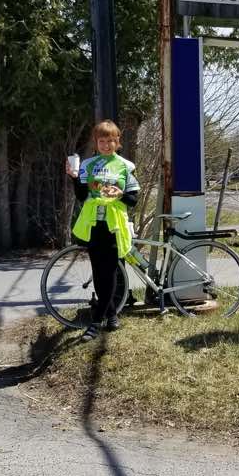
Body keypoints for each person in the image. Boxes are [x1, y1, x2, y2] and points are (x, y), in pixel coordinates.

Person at [66, 120, 140, 340]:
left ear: (117, 142)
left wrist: (117, 194)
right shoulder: (88, 165)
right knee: (99, 273)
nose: (106, 145)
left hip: (113, 225)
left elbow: (133, 199)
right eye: (102, 141)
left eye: (111, 140)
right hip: (93, 225)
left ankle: (96, 322)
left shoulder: (125, 166)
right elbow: (81, 196)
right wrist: (74, 178)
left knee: (108, 272)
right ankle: (112, 315)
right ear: (96, 142)